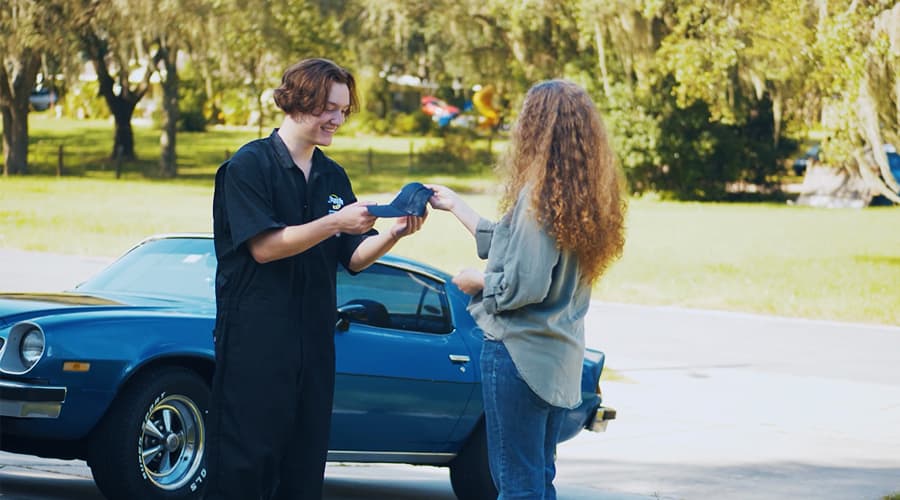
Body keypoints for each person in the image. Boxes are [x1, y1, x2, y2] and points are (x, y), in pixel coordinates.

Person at [204, 58, 425, 500]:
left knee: (303, 473)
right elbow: (264, 248)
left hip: (315, 346)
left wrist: (394, 232)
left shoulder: (332, 175)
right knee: (244, 469)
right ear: (296, 101)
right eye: (328, 107)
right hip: (256, 345)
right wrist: (336, 222)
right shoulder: (247, 167)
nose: (337, 119)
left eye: (343, 110)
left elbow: (354, 259)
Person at [428, 79, 626, 499]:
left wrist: (477, 281)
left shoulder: (539, 199)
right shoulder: (582, 200)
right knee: (537, 478)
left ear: (535, 128)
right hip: (559, 359)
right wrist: (456, 206)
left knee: (515, 483)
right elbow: (512, 243)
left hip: (519, 356)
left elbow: (526, 282)